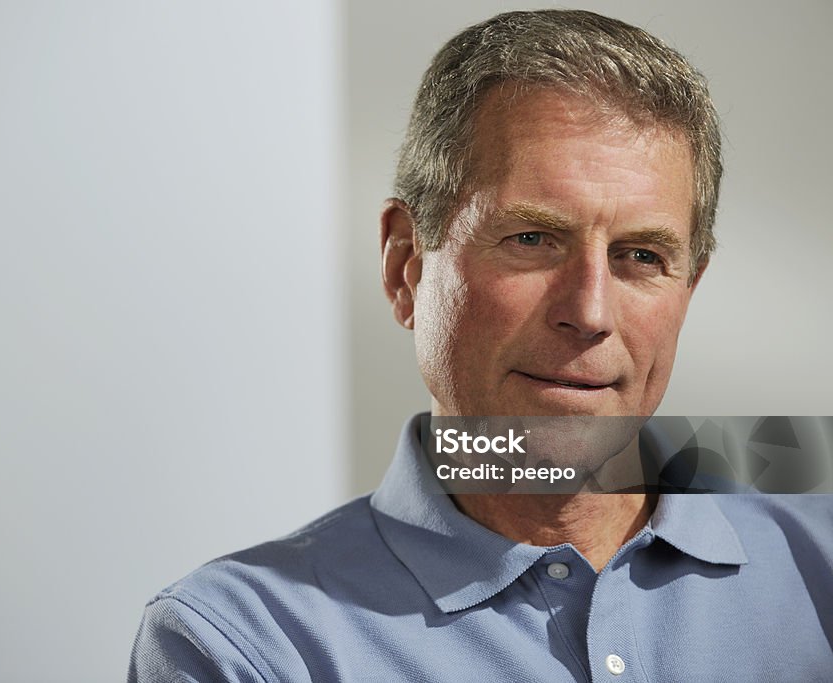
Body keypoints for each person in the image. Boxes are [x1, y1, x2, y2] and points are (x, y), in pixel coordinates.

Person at [129, 10, 833, 681]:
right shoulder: (244, 642)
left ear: (689, 286)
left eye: (642, 255)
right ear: (406, 263)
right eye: (531, 239)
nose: (589, 312)